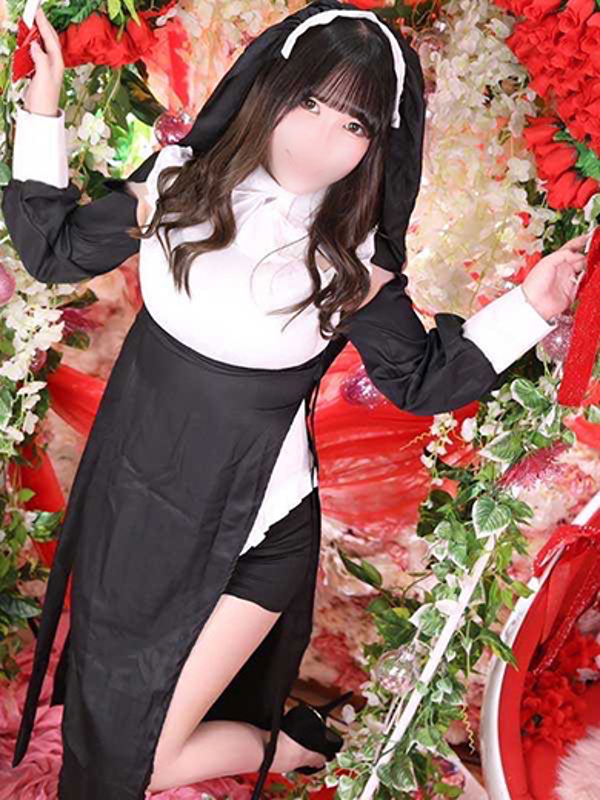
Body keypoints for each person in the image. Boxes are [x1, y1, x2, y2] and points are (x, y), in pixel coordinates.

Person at [1, 1, 589, 798]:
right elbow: (54, 249)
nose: (319, 140)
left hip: (254, 532)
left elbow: (424, 378)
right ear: (271, 90)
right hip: (139, 500)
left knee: (140, 761)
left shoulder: (351, 265)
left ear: (378, 142)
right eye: (309, 103)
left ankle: (293, 750)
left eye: (352, 124)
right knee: (103, 717)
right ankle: (286, 740)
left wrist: (534, 305)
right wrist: (42, 105)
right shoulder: (175, 185)